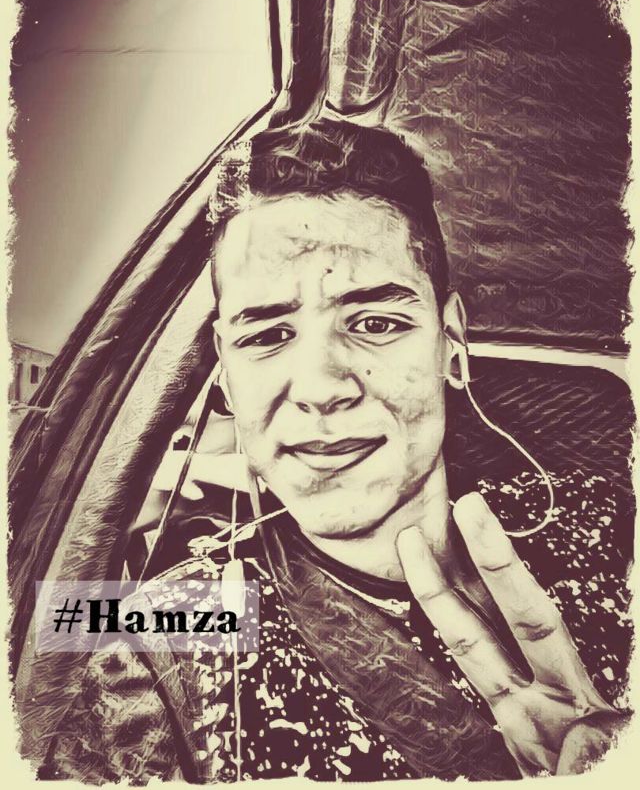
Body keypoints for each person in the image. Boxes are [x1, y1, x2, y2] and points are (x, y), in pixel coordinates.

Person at [39, 118, 632, 783]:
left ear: (450, 341)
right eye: (266, 336)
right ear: (226, 373)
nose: (320, 389)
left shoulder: (602, 526)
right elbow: (61, 628)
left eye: (376, 322)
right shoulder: (180, 628)